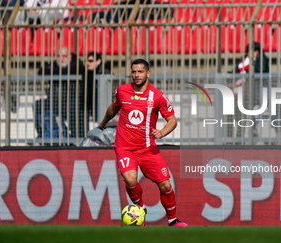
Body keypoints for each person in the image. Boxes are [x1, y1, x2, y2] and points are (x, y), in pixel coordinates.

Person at [98, 59, 188, 227]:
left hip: (147, 148)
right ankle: (140, 209)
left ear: (148, 73)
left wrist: (162, 132)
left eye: (140, 72)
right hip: (125, 147)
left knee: (165, 185)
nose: (136, 75)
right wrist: (103, 122)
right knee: (130, 179)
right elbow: (113, 108)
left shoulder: (158, 96)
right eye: (134, 72)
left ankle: (173, 220)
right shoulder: (122, 91)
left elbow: (172, 120)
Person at [33, 46, 85, 139]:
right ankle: (42, 133)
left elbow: (70, 70)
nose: (61, 59)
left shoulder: (77, 64)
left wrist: (55, 71)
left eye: (64, 56)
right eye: (58, 56)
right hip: (55, 100)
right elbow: (41, 71)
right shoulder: (54, 64)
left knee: (74, 106)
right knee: (37, 105)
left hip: (72, 100)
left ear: (70, 56)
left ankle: (75, 136)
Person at [85, 52, 111, 121]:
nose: (88, 63)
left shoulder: (104, 73)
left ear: (98, 61)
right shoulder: (88, 74)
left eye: (90, 61)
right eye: (87, 61)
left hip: (104, 108)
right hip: (93, 108)